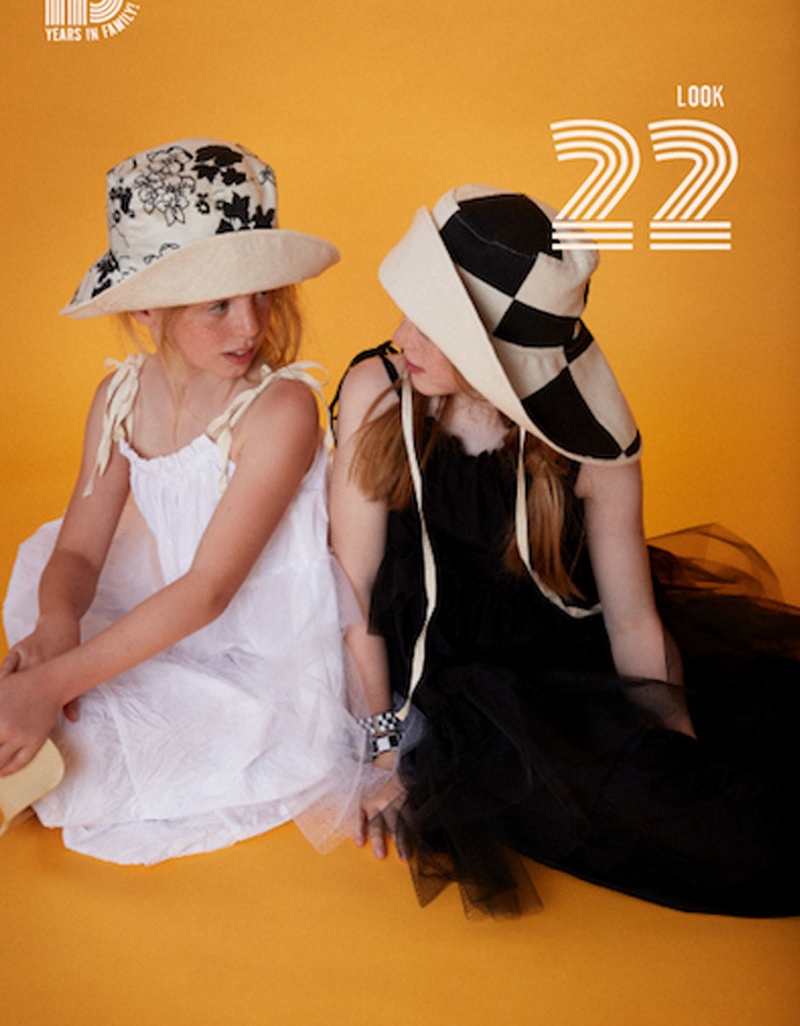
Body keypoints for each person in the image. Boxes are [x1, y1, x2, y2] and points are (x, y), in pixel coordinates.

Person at [330, 184, 800, 918]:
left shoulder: (584, 445)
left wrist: (676, 744)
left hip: (570, 653)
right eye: (408, 313)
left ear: (498, 356)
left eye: (433, 328)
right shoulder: (380, 392)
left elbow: (633, 621)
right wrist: (383, 749)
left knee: (766, 720)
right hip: (456, 694)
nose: (402, 337)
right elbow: (354, 593)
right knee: (743, 839)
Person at [0, 137, 362, 864]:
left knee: (84, 761)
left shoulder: (280, 409)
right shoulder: (121, 395)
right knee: (38, 700)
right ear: (146, 309)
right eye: (218, 305)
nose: (250, 325)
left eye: (262, 296)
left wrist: (54, 685)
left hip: (257, 647)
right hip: (159, 604)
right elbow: (79, 550)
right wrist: (59, 628)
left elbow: (209, 592)